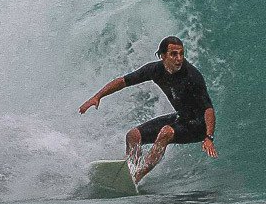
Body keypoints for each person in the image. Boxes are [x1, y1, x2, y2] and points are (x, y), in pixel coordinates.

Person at [79, 36, 217, 182]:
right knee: (133, 135)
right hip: (182, 118)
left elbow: (208, 109)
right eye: (174, 54)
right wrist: (97, 97)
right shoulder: (155, 70)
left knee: (165, 132)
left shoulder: (192, 75)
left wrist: (209, 137)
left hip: (199, 126)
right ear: (163, 56)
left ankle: (137, 177)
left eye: (181, 53)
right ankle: (131, 169)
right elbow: (123, 81)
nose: (179, 58)